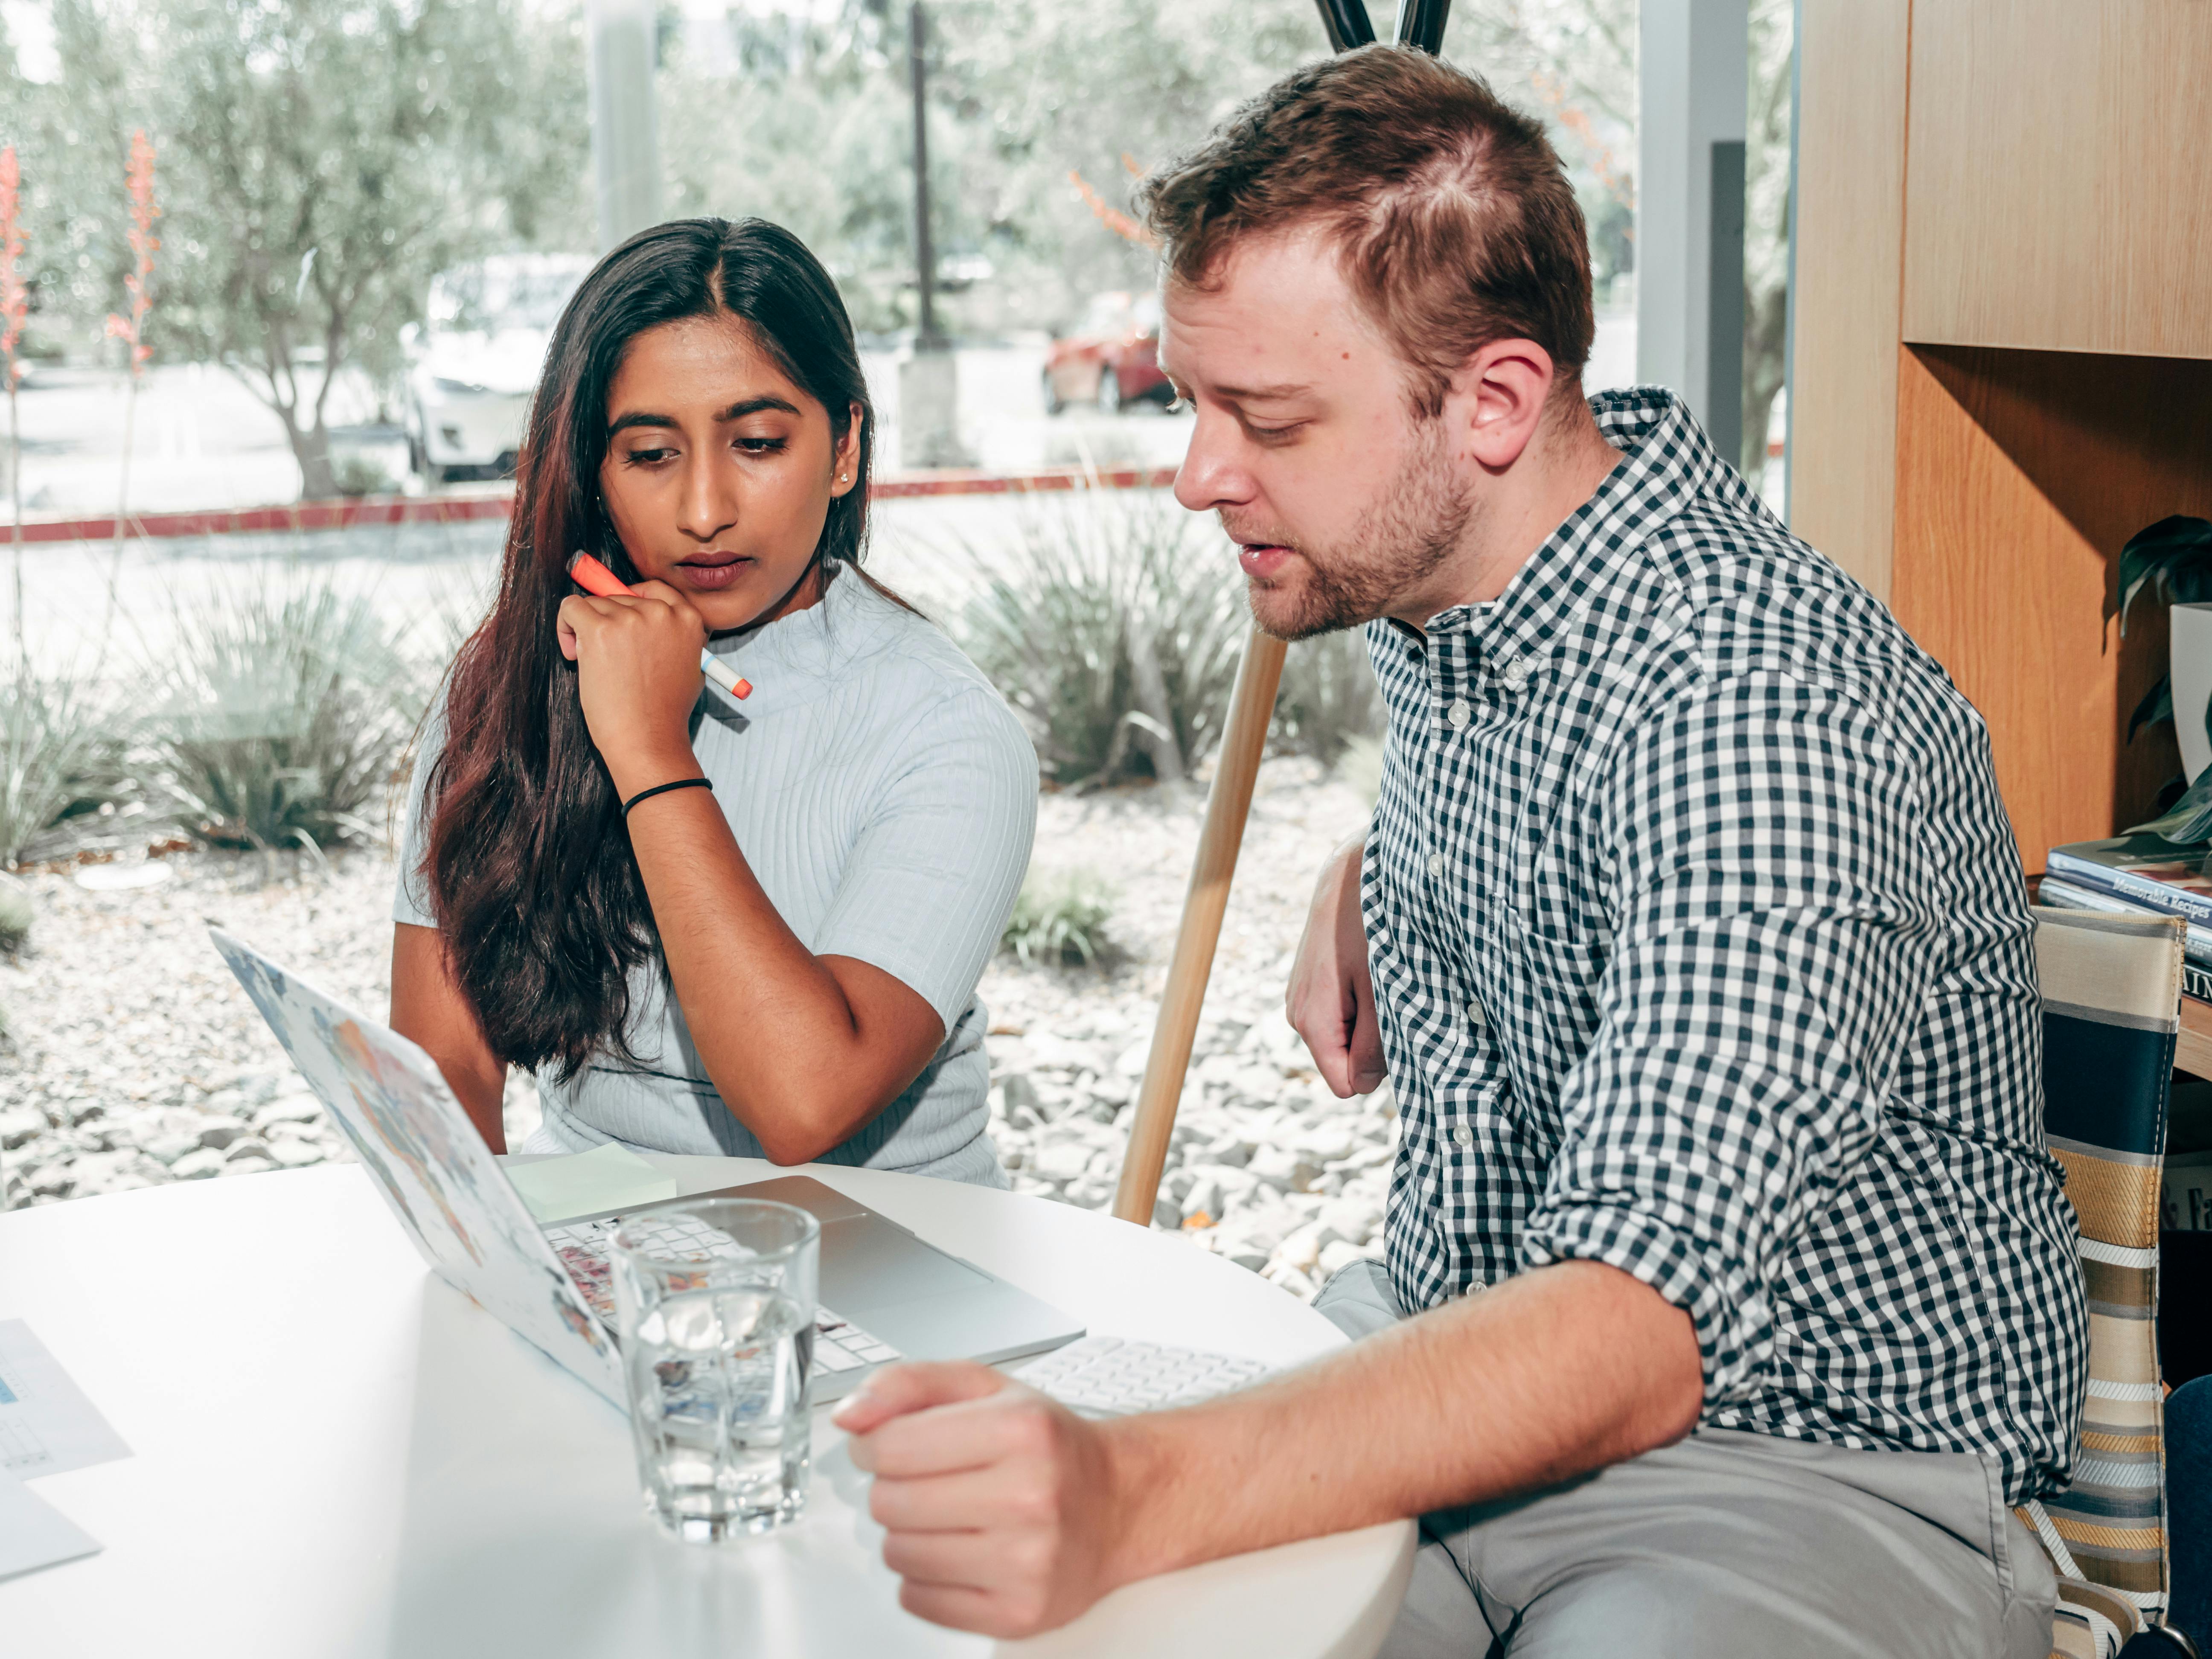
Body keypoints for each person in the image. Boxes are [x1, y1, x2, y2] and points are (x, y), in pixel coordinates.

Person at [833, 46, 2085, 1655]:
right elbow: (1582, 772)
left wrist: (1137, 1488)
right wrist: (1381, 867)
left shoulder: (1768, 708)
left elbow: (1634, 1329)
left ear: (1493, 401)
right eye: (1191, 399)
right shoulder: (1451, 571)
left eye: (1264, 418)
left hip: (1789, 1465)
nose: (1200, 475)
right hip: (1443, 1355)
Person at [389, 218, 1035, 1185]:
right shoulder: (516, 678)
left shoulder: (946, 731)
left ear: (846, 448)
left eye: (760, 442)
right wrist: (498, 1265)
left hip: (892, 1254)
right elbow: (444, 1068)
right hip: (600, 1240)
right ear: (595, 475)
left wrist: (650, 753)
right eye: (650, 454)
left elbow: (804, 1101)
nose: (704, 510)